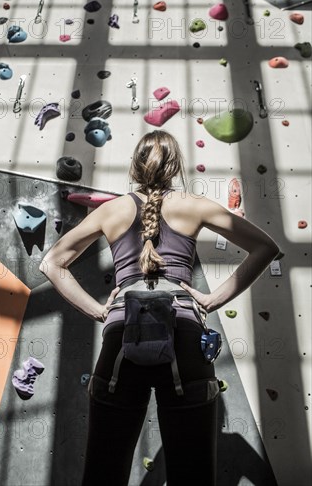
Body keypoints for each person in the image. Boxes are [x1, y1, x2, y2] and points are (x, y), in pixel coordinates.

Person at [39, 130, 280, 486]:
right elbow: (265, 247)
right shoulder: (194, 205)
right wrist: (212, 301)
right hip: (184, 336)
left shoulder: (111, 210)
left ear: (135, 167)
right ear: (175, 167)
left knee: (103, 475)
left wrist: (100, 311)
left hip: (122, 336)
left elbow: (52, 264)